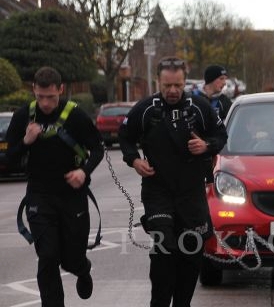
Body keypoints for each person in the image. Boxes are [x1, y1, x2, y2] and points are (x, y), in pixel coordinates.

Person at [118, 56, 228, 307]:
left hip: (191, 193)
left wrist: (206, 145)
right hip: (158, 191)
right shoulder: (145, 109)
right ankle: (159, 301)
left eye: (178, 85)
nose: (172, 91)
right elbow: (124, 137)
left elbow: (221, 135)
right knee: (164, 249)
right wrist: (134, 160)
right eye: (167, 85)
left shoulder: (200, 107)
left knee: (191, 253)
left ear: (185, 81)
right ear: (158, 82)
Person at [6, 66, 104, 305]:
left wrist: (84, 171)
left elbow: (98, 149)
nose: (46, 103)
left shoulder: (76, 116)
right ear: (34, 90)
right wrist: (26, 141)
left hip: (72, 196)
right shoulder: (23, 117)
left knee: (72, 258)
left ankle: (82, 269)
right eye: (40, 97)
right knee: (48, 256)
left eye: (51, 97)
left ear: (60, 90)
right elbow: (9, 159)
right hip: (40, 196)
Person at [191, 64, 232, 183]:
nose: (225, 83)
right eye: (221, 79)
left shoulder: (225, 102)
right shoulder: (192, 98)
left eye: (225, 78)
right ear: (211, 80)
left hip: (217, 154)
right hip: (193, 155)